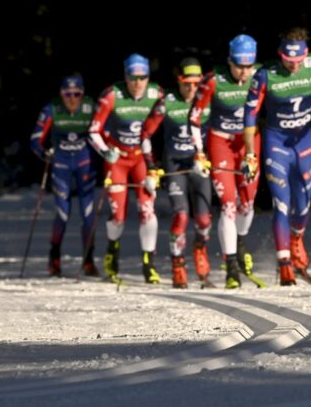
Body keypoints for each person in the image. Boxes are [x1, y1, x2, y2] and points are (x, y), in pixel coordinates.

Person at [243, 28, 311, 286]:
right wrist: (250, 153)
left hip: (303, 142)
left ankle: (296, 239)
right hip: (276, 143)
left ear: (306, 55)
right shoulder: (265, 75)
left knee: (303, 206)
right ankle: (284, 265)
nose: (293, 67)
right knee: (282, 203)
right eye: (288, 61)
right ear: (280, 55)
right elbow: (248, 118)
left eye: (298, 61)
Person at [188, 35, 263, 289]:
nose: (243, 71)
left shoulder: (260, 76)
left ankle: (240, 240)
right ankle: (231, 266)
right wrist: (199, 152)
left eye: (248, 65)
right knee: (229, 205)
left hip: (249, 143)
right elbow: (195, 118)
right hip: (220, 143)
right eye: (238, 65)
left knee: (248, 204)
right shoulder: (213, 80)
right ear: (229, 61)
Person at [88, 54, 165, 284]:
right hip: (117, 159)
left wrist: (153, 167)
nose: (137, 83)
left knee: (147, 209)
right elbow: (93, 130)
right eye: (133, 78)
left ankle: (148, 263)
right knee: (118, 216)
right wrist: (105, 151)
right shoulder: (112, 95)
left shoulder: (157, 94)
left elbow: (157, 132)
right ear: (126, 77)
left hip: (141, 157)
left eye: (142, 78)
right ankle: (112, 251)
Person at [140, 57, 213, 288]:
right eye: (186, 83)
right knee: (181, 216)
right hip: (174, 166)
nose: (191, 89)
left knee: (203, 219)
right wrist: (151, 167)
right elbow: (145, 134)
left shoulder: (207, 99)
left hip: (198, 163)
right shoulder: (167, 102)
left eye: (195, 83)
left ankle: (200, 249)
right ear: (178, 81)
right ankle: (178, 264)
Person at [29, 74, 99, 277]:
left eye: (77, 94)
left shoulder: (90, 108)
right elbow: (35, 139)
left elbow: (103, 132)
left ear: (82, 94)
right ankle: (54, 257)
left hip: (85, 164)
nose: (72, 99)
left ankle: (88, 260)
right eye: (67, 94)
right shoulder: (52, 109)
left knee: (88, 215)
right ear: (61, 94)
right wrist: (45, 154)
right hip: (61, 165)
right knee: (62, 214)